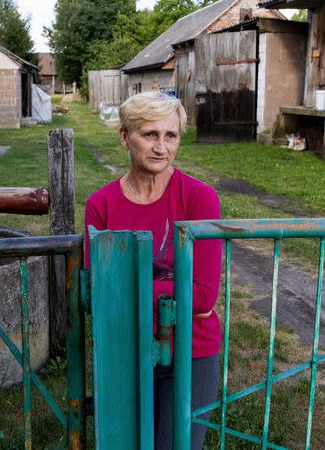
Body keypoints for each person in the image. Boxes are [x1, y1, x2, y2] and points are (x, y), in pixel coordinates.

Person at [84, 91, 222, 450]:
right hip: (125, 346)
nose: (161, 147)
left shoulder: (199, 197)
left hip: (191, 348)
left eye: (170, 136)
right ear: (124, 137)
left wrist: (126, 287)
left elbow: (204, 297)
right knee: (121, 443)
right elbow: (96, 292)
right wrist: (174, 291)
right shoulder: (101, 205)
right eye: (149, 135)